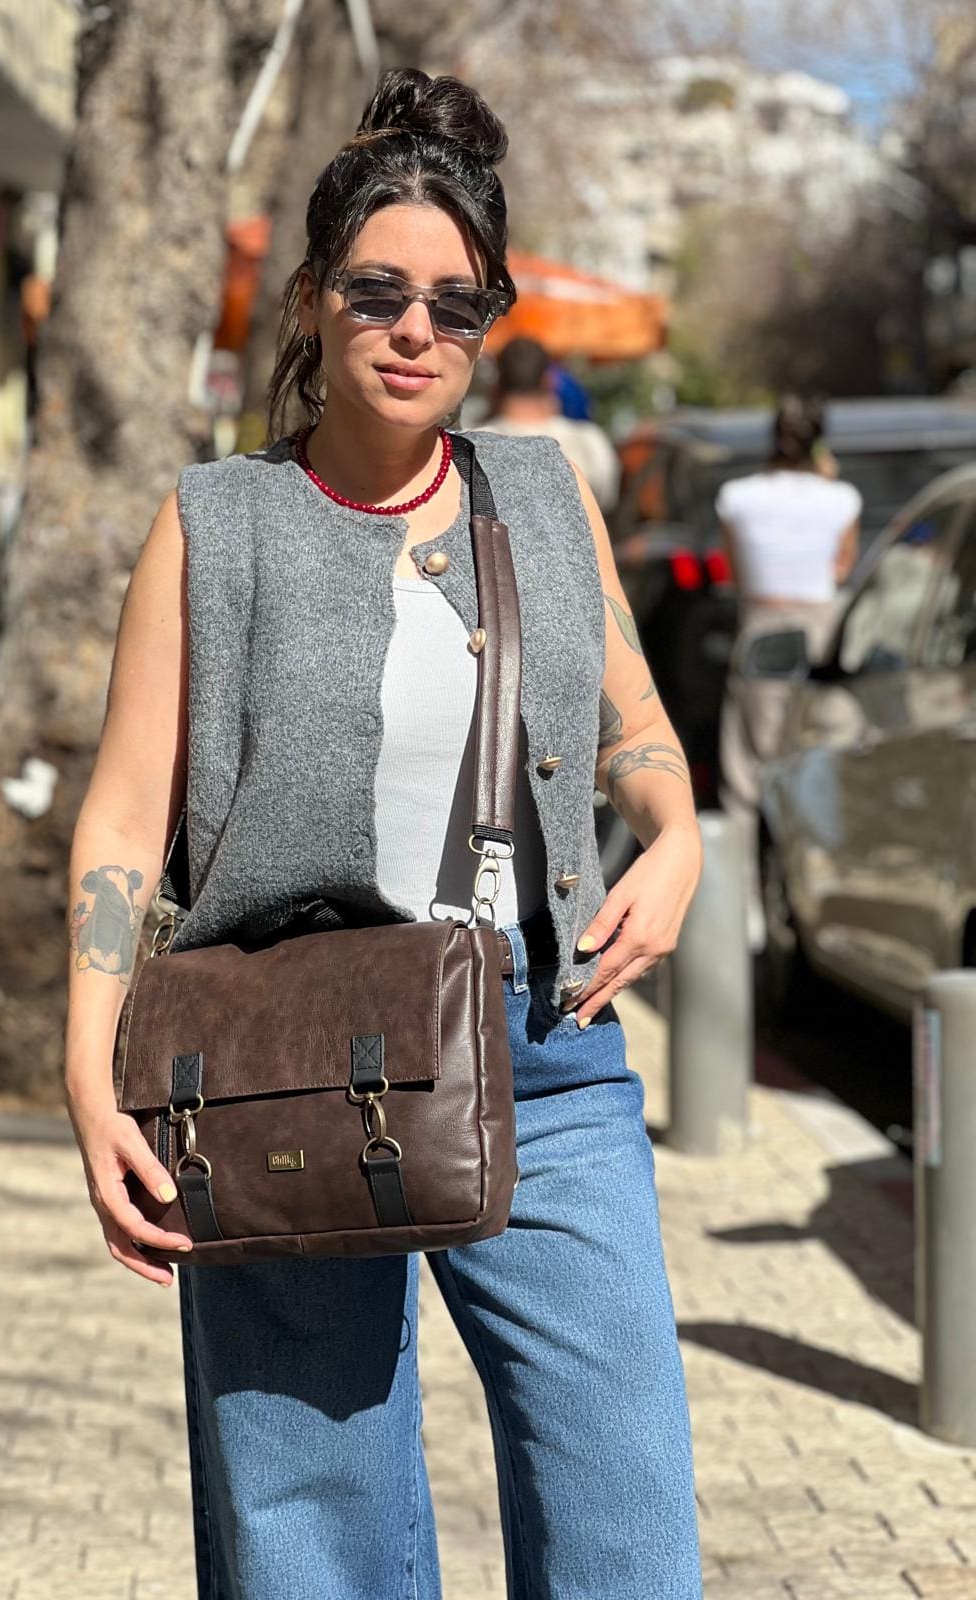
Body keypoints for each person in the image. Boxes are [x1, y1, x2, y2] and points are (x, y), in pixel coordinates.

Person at [64, 69, 704, 1598]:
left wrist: (674, 838)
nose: (415, 330)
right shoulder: (213, 523)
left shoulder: (541, 495)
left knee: (624, 1512)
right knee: (312, 1535)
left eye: (454, 304)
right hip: (282, 1047)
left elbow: (635, 728)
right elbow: (124, 817)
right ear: (311, 300)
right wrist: (87, 1073)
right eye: (376, 292)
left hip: (542, 1050)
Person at [717, 394, 861, 944]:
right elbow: (842, 567)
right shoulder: (841, 498)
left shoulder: (738, 497)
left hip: (761, 632)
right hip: (823, 638)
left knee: (745, 775)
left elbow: (735, 573)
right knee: (818, 765)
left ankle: (747, 909)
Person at [479, 334, 621, 511]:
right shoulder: (588, 440)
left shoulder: (472, 445)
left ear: (497, 384)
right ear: (549, 381)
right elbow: (606, 502)